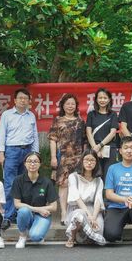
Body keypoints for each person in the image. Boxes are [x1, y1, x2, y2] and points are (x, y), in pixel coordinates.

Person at [0, 88, 39, 230]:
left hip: (27, 151)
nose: (23, 100)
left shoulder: (31, 115)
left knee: (25, 184)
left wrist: (35, 154)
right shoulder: (7, 115)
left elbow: (35, 135)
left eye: (25, 98)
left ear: (29, 101)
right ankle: (8, 216)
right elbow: (1, 134)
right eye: (20, 98)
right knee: (10, 184)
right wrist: (1, 153)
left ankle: (21, 214)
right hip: (12, 151)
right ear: (14, 100)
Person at [49, 93, 86, 225]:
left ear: (76, 106)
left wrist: (85, 157)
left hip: (78, 158)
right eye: (67, 104)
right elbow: (53, 140)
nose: (70, 106)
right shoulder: (58, 120)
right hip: (63, 157)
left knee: (78, 184)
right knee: (63, 184)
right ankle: (64, 212)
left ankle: (76, 212)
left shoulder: (80, 121)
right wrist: (53, 157)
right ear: (63, 105)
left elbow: (84, 141)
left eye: (72, 104)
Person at [13, 152, 58, 248]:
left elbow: (54, 207)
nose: (32, 164)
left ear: (40, 164)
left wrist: (40, 210)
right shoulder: (18, 180)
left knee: (36, 237)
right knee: (23, 211)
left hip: (42, 215)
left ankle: (36, 231)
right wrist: (38, 209)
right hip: (27, 213)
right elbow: (17, 204)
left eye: (35, 161)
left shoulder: (47, 182)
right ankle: (22, 236)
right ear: (25, 164)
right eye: (29, 161)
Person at [65, 150, 106, 248]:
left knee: (98, 231)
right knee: (79, 215)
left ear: (96, 163)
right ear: (81, 161)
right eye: (86, 160)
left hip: (92, 209)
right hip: (77, 207)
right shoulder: (73, 177)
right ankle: (72, 237)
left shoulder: (98, 180)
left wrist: (94, 217)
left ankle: (86, 237)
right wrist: (89, 216)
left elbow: (98, 200)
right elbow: (77, 198)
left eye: (92, 160)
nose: (89, 163)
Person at [86, 88, 119, 180]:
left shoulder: (113, 114)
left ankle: (107, 191)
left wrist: (100, 145)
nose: (102, 100)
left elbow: (113, 133)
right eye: (100, 98)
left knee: (108, 177)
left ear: (109, 100)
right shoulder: (91, 114)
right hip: (94, 149)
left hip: (109, 149)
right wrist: (95, 148)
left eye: (105, 98)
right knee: (94, 176)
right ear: (96, 99)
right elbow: (88, 132)